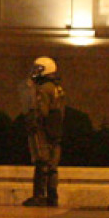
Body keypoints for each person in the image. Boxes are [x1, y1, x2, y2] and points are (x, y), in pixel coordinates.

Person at [22, 57, 66, 207]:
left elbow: (42, 111)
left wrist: (33, 122)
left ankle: (39, 195)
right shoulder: (57, 87)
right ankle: (52, 196)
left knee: (41, 162)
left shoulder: (44, 88)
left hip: (43, 129)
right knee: (53, 165)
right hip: (56, 128)